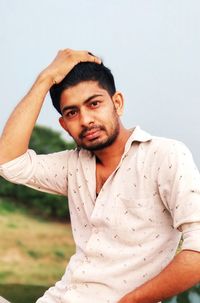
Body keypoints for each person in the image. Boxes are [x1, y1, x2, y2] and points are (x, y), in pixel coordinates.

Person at [0, 49, 200, 303]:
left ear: (117, 103)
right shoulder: (73, 165)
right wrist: (46, 78)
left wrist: (129, 301)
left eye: (94, 104)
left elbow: (197, 252)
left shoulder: (164, 156)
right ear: (64, 124)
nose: (86, 120)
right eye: (72, 113)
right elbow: (8, 162)